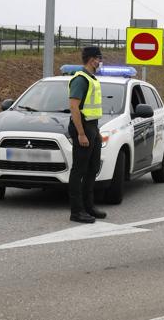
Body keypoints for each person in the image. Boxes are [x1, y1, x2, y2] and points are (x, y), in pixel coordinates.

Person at [68, 46, 107, 224]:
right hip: (82, 128)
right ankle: (76, 211)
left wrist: (96, 132)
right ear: (92, 60)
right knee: (79, 171)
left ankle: (88, 207)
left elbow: (91, 110)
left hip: (92, 128)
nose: (100, 62)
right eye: (99, 59)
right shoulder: (80, 79)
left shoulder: (92, 79)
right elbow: (74, 107)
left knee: (92, 169)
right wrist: (81, 134)